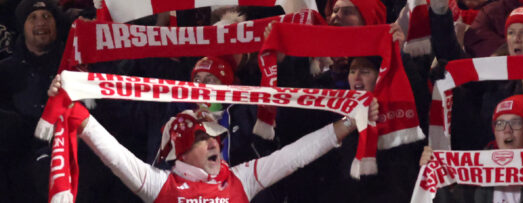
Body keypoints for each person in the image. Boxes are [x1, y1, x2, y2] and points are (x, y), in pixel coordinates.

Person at [51, 77, 379, 203]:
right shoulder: (158, 185)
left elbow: (299, 153)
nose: (214, 144)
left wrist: (351, 121)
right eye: (202, 139)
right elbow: (111, 151)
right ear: (180, 151)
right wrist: (70, 100)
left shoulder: (241, 178)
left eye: (215, 139)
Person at [0, 0, 64, 202]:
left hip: (62, 155)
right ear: (22, 25)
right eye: (33, 17)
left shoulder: (73, 65)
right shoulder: (5, 70)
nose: (41, 23)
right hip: (17, 161)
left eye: (47, 16)